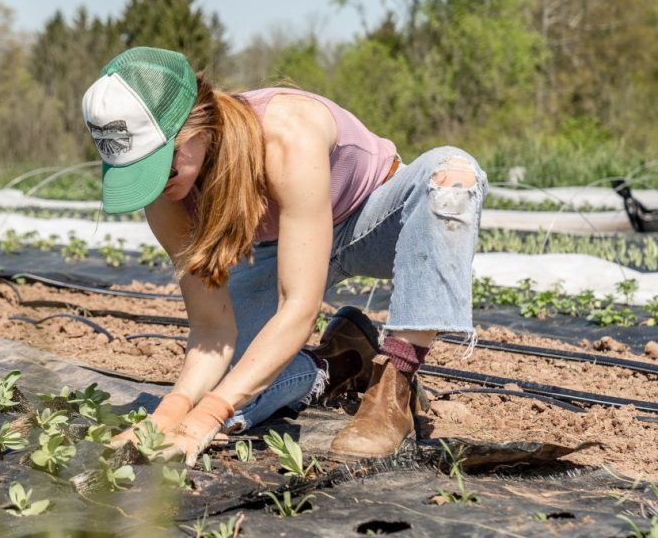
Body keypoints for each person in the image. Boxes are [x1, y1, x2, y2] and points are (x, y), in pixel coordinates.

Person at [82, 46, 487, 465]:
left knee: (452, 176)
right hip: (283, 248)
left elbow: (299, 306)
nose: (157, 185)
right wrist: (172, 412)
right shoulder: (166, 197)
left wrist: (208, 415)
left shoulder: (284, 133)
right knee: (232, 386)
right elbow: (212, 328)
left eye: (161, 166)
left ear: (196, 124)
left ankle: (395, 386)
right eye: (137, 173)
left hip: (374, 221)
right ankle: (339, 363)